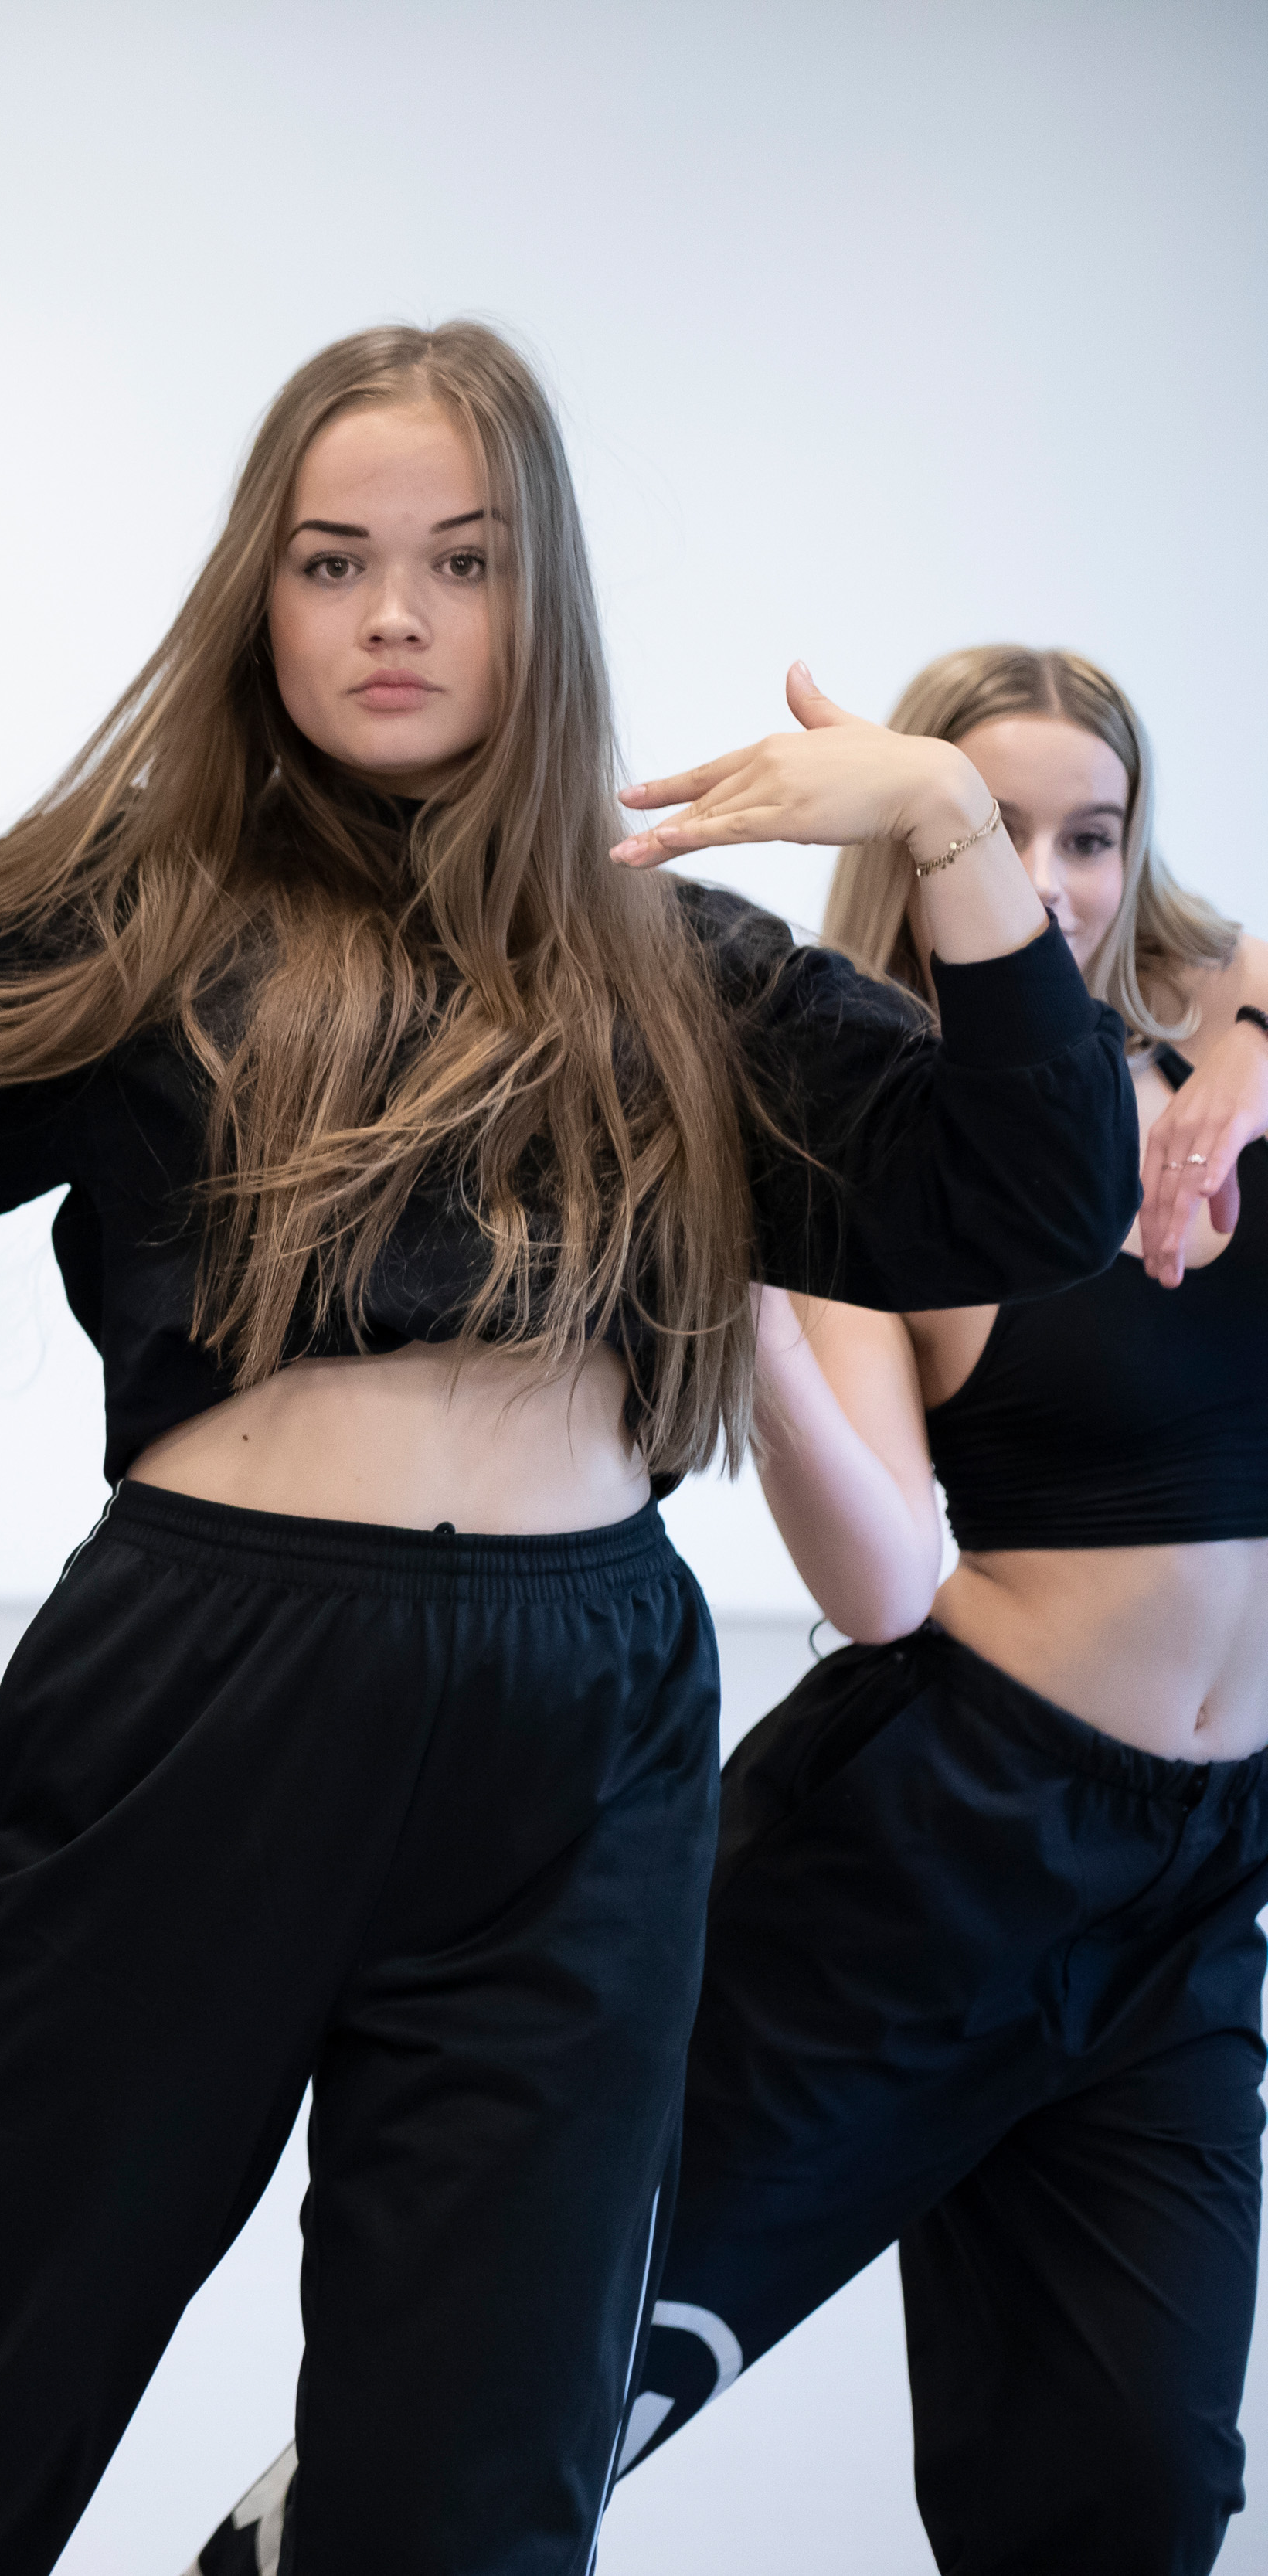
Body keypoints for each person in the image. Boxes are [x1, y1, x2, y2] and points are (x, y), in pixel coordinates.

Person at [0, 323, 1138, 2576]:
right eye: (335, 560)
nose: (395, 614)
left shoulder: (682, 965)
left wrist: (944, 827)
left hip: (583, 1721)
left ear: (539, 602)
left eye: (459, 561)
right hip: (212, 1686)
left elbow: (1030, 1194)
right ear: (263, 590)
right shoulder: (134, 903)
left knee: (474, 2491)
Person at [189, 646, 1268, 2576]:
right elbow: (877, 1577)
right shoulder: (882, 1136)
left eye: (1086, 837)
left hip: (1193, 1895)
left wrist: (1257, 1030)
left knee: (1132, 2495)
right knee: (541, 2402)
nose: (1048, 879)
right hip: (931, 1847)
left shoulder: (1217, 1078)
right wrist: (751, 1263)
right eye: (993, 827)